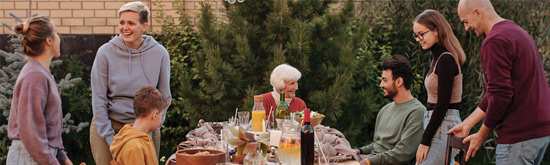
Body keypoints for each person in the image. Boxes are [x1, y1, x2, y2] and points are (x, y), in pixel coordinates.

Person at [447, 0, 550, 164]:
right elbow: (495, 93)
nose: (466, 28)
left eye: (466, 21)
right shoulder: (516, 31)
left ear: (478, 13)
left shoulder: (495, 41)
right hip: (539, 134)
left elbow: (501, 96)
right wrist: (468, 123)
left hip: (518, 137)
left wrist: (481, 135)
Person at [90, 1, 171, 164]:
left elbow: (164, 97)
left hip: (146, 129)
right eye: (122, 22)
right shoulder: (105, 53)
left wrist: (149, 127)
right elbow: (98, 99)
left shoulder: (160, 53)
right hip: (109, 127)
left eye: (131, 23)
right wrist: (113, 141)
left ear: (144, 26)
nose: (124, 28)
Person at [6, 16, 73, 165]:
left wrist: (62, 157)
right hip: (29, 157)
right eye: (56, 33)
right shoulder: (34, 75)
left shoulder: (41, 73)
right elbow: (31, 131)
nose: (58, 38)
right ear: (48, 40)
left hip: (38, 155)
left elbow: (49, 124)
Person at [412, 9, 467, 164]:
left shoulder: (445, 59)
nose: (418, 39)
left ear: (436, 31)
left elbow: (443, 104)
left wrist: (425, 140)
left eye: (421, 34)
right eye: (416, 35)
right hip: (438, 123)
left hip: (443, 123)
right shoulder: (438, 58)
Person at [354, 55, 426, 165]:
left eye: (385, 80)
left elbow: (403, 153)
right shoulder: (385, 110)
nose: (381, 85)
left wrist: (368, 162)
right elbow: (378, 144)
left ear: (399, 82)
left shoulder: (417, 112)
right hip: (371, 159)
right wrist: (359, 150)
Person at [110, 86, 169, 165]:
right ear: (155, 115)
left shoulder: (143, 135)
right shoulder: (134, 147)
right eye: (161, 115)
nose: (161, 119)